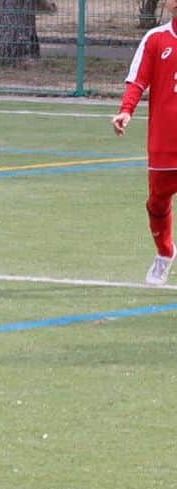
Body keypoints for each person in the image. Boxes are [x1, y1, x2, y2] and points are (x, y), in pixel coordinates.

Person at [112, 0, 177, 286]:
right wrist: (126, 110)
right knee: (157, 202)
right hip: (164, 140)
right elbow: (138, 80)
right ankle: (165, 253)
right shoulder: (156, 39)